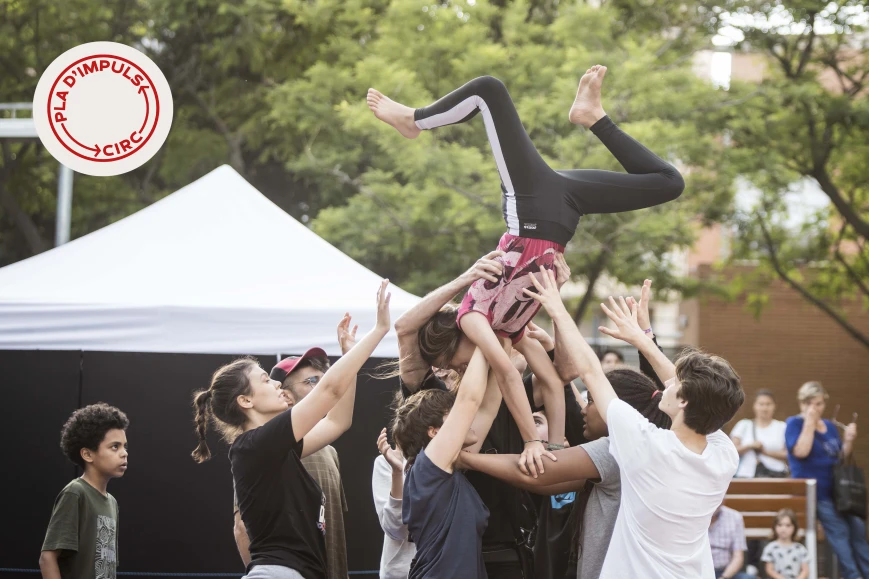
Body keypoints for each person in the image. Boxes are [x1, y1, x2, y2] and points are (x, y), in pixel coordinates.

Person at [369, 65, 685, 472]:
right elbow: (556, 378)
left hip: (531, 210)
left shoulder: (471, 318)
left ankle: (413, 120)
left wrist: (534, 441)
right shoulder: (512, 330)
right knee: (669, 182)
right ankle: (592, 117)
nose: (460, 368)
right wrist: (554, 443)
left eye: (456, 362)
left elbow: (503, 371)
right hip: (564, 214)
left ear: (453, 340)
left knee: (488, 90)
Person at [523, 267, 743, 578]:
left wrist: (556, 308)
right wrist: (643, 340)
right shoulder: (724, 454)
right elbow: (691, 390)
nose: (668, 384)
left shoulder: (647, 444)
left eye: (676, 384)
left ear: (684, 400)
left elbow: (591, 371)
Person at [192, 280, 391, 579]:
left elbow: (337, 421)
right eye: (265, 380)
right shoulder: (253, 446)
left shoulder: (273, 448)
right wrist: (379, 330)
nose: (276, 384)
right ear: (245, 401)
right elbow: (330, 390)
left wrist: (349, 354)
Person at [391, 253, 570, 578]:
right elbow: (405, 329)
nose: (452, 369)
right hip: (474, 554)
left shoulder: (497, 391)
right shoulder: (434, 408)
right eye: (442, 367)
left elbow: (558, 377)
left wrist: (553, 303)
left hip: (509, 551)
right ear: (434, 431)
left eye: (453, 361)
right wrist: (470, 290)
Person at [459, 367, 671, 579]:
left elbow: (537, 474)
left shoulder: (615, 451)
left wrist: (463, 458)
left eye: (591, 401)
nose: (583, 410)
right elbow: (546, 483)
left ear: (617, 409)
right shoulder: (641, 451)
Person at [233, 336, 355, 579]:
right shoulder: (261, 447)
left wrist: (349, 357)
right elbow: (241, 527)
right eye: (312, 381)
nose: (322, 384)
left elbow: (338, 421)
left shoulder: (326, 449)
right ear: (285, 395)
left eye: (323, 377)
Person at [392, 347, 506, 579]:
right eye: (452, 414)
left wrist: (500, 342)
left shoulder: (444, 470)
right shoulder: (428, 467)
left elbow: (487, 407)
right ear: (434, 432)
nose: (465, 420)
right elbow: (469, 400)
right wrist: (482, 336)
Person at [786, 381, 869, 579]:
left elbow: (840, 457)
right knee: (840, 532)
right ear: (801, 403)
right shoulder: (794, 423)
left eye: (819, 403)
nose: (815, 408)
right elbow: (801, 451)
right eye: (809, 403)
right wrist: (809, 423)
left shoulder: (830, 427)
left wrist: (848, 441)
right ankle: (853, 575)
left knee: (858, 529)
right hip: (816, 494)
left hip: (839, 492)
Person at [39, 403, 129, 579]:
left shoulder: (112, 502)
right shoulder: (75, 493)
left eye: (125, 446)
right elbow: (47, 558)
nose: (124, 453)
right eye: (115, 446)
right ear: (88, 454)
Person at [372, 427, 415, 579]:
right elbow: (395, 530)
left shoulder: (450, 461)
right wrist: (397, 472)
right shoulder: (386, 463)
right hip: (402, 572)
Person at [730, 389, 788, 478]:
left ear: (774, 406)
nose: (764, 408)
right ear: (754, 406)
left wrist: (765, 452)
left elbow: (789, 454)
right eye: (761, 404)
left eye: (768, 404)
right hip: (746, 476)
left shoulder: (782, 426)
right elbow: (731, 451)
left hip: (776, 475)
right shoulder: (744, 425)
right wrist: (749, 446)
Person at [761, 509, 810, 579]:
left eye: (788, 525)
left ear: (794, 527)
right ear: (774, 527)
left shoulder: (800, 549)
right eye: (780, 525)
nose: (783, 529)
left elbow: (805, 570)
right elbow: (769, 570)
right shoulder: (770, 548)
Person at [708, 503, 752, 579]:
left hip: (725, 572)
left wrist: (724, 577)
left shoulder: (735, 516)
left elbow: (738, 556)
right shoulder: (690, 515)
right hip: (698, 572)